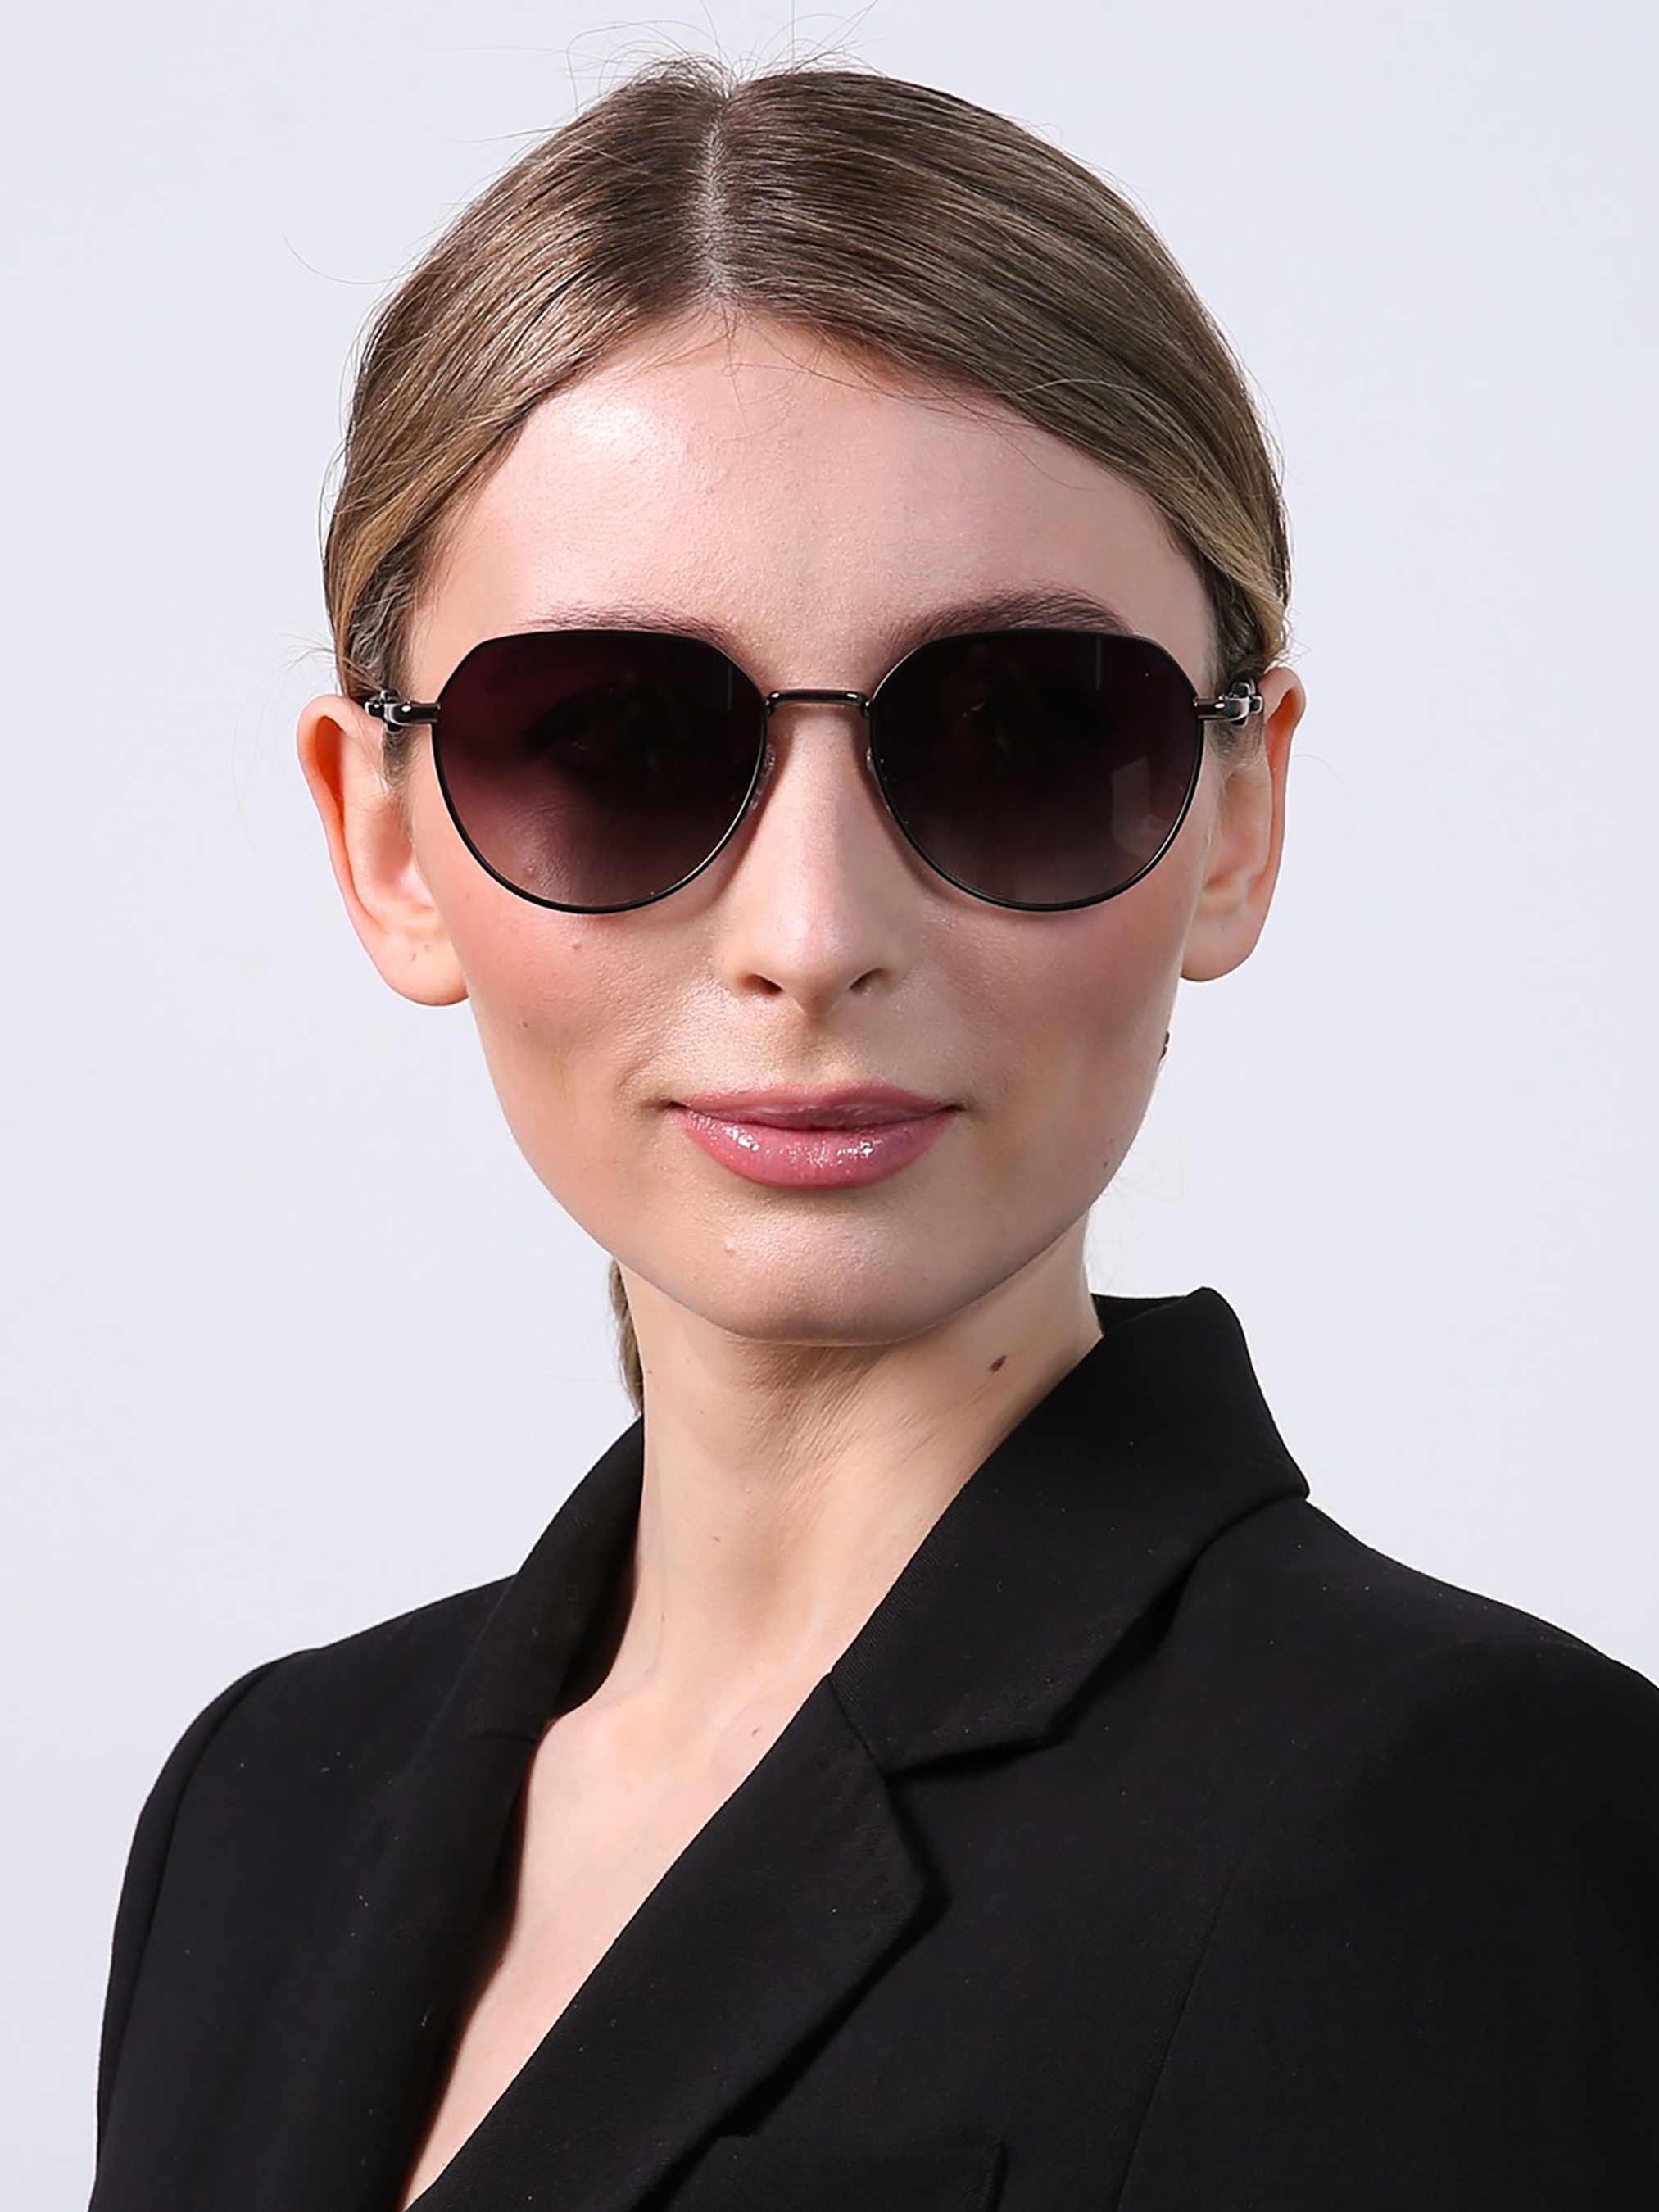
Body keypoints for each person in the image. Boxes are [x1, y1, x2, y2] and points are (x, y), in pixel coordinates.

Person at [88, 56, 1659, 2212]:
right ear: (383, 837)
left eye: (1021, 734)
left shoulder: (1464, 1814)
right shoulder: (256, 1813)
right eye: (618, 741)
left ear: (1237, 817)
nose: (813, 937)